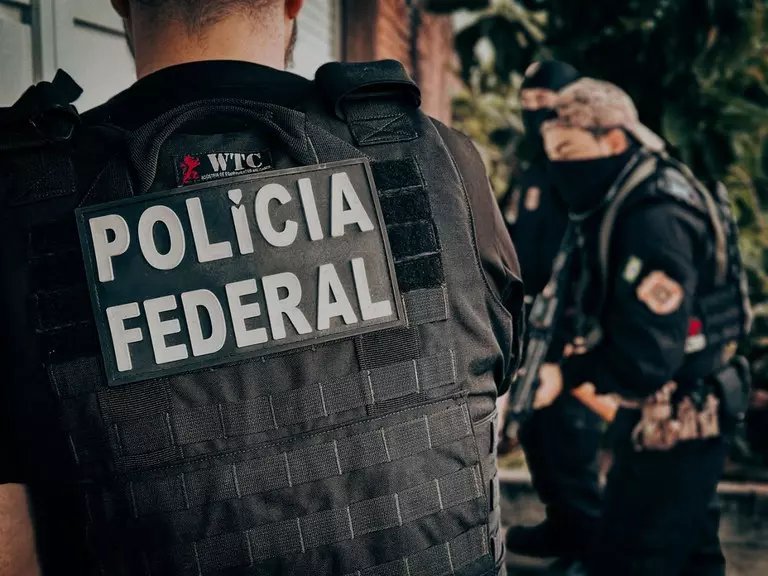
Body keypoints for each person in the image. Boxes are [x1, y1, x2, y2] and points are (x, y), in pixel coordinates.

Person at [0, 2, 524, 575]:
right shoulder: (436, 157)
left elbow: (12, 538)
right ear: (296, 2)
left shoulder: (21, 201)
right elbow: (482, 390)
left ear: (120, 2)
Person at [534, 78, 751, 575]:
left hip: (679, 416)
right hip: (674, 410)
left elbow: (648, 357)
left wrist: (567, 375)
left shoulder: (655, 218)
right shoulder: (629, 196)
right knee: (692, 555)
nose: (558, 168)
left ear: (613, 140)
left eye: (568, 151)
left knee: (631, 558)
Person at [500, 61, 604, 572]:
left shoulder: (579, 167)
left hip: (569, 323)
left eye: (547, 104)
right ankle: (564, 525)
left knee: (567, 434)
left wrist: (570, 339)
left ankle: (592, 548)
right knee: (536, 430)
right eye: (528, 104)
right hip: (530, 319)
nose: (536, 114)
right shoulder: (533, 167)